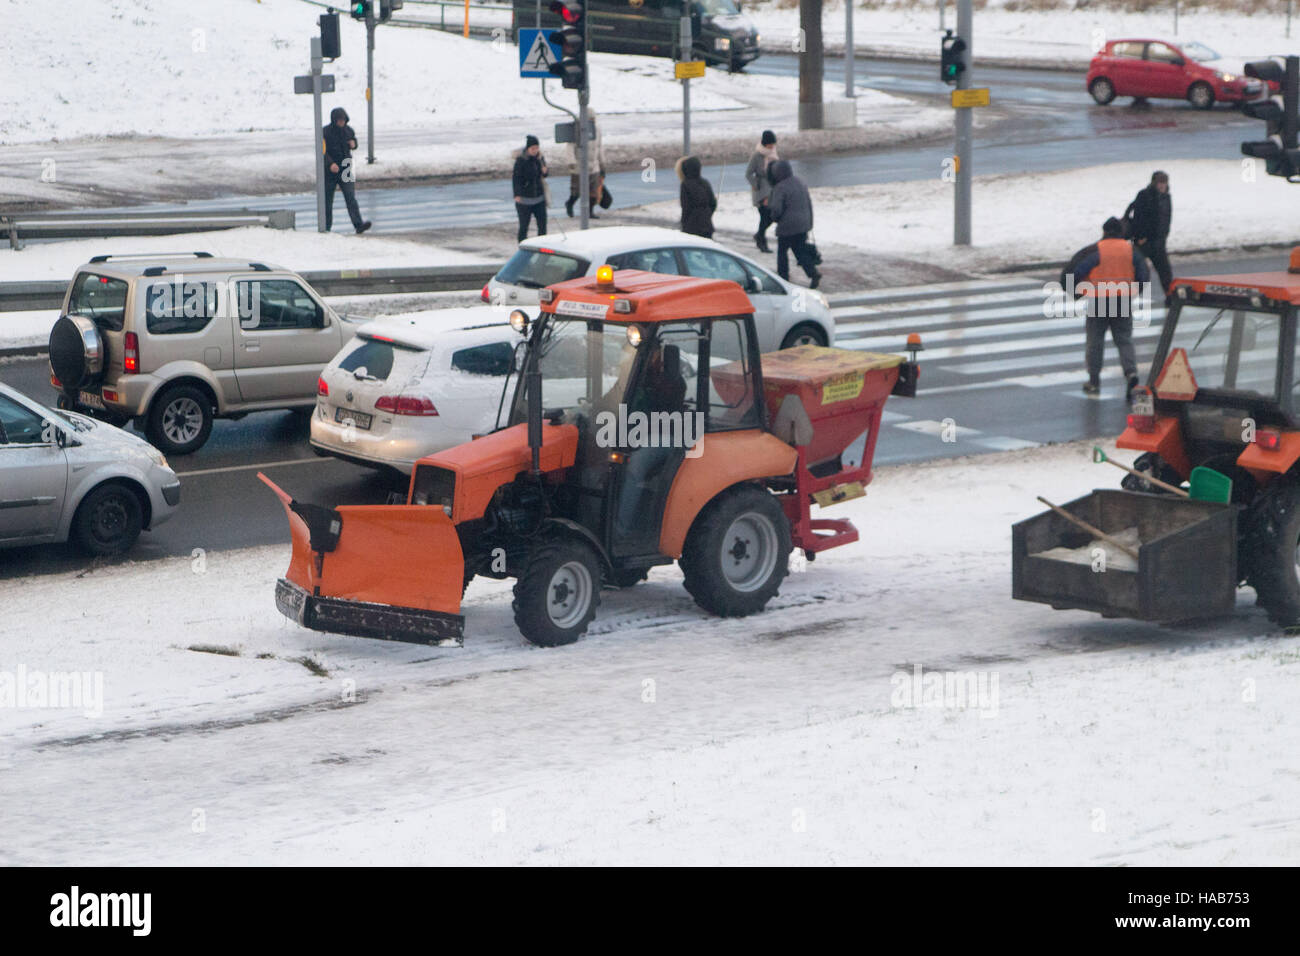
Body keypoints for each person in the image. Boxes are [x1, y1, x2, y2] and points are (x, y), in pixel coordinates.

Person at [1067, 217, 1149, 399]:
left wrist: (1077, 291)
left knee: (1095, 341)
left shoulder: (1096, 250)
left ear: (1104, 231)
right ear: (1121, 232)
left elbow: (1076, 271)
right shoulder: (1131, 251)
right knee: (1124, 340)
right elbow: (1143, 275)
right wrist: (1134, 292)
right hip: (1123, 301)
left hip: (1099, 301)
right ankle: (1131, 375)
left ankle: (1094, 381)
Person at [767, 159, 821, 288]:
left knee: (782, 253)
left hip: (787, 227)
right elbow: (808, 204)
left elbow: (776, 210)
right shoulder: (800, 182)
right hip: (803, 224)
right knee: (800, 250)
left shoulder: (780, 187)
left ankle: (783, 278)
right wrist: (809, 223)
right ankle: (813, 273)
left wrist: (774, 218)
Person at [322, 107, 372, 234]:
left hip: (346, 165)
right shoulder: (325, 132)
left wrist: (354, 144)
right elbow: (322, 151)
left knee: (351, 198)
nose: (341, 123)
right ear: (334, 120)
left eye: (343, 120)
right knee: (328, 200)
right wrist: (330, 164)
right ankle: (326, 227)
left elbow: (354, 141)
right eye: (339, 120)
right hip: (331, 170)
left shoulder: (348, 131)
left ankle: (358, 224)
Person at [1125, 170, 1173, 296]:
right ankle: (1122, 298)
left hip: (1159, 242)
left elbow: (1167, 219)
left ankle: (1171, 299)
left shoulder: (1166, 198)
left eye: (1164, 182)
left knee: (1165, 273)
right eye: (1160, 183)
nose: (1162, 185)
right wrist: (1140, 236)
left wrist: (1164, 236)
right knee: (1136, 272)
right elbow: (1138, 217)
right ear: (1154, 183)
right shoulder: (1144, 195)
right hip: (1144, 241)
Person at [565, 110, 606, 219]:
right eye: (590, 119)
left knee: (593, 192)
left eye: (593, 119)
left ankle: (590, 212)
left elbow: (599, 147)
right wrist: (571, 162)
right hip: (579, 166)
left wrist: (602, 164)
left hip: (594, 167)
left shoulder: (597, 130)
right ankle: (570, 203)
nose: (592, 121)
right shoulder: (577, 129)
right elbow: (570, 147)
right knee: (577, 191)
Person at [745, 130, 779, 253]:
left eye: (773, 144)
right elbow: (748, 173)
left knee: (770, 217)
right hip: (761, 192)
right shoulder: (757, 156)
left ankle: (759, 235)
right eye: (770, 144)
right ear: (765, 143)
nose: (772, 146)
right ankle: (762, 242)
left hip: (773, 191)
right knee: (765, 216)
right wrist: (755, 185)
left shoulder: (773, 154)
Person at [512, 134, 549, 243]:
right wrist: (517, 194)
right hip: (524, 199)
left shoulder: (540, 158)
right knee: (524, 226)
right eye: (533, 148)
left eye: (537, 148)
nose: (535, 150)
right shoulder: (521, 161)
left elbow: (544, 174)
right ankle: (522, 246)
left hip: (539, 198)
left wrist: (545, 172)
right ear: (528, 149)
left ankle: (542, 245)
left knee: (542, 224)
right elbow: (516, 178)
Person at [676, 156, 716, 238]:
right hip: (707, 225)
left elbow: (686, 207)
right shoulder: (705, 183)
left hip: (691, 227)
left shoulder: (685, 184)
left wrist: (684, 224)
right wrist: (706, 215)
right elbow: (713, 203)